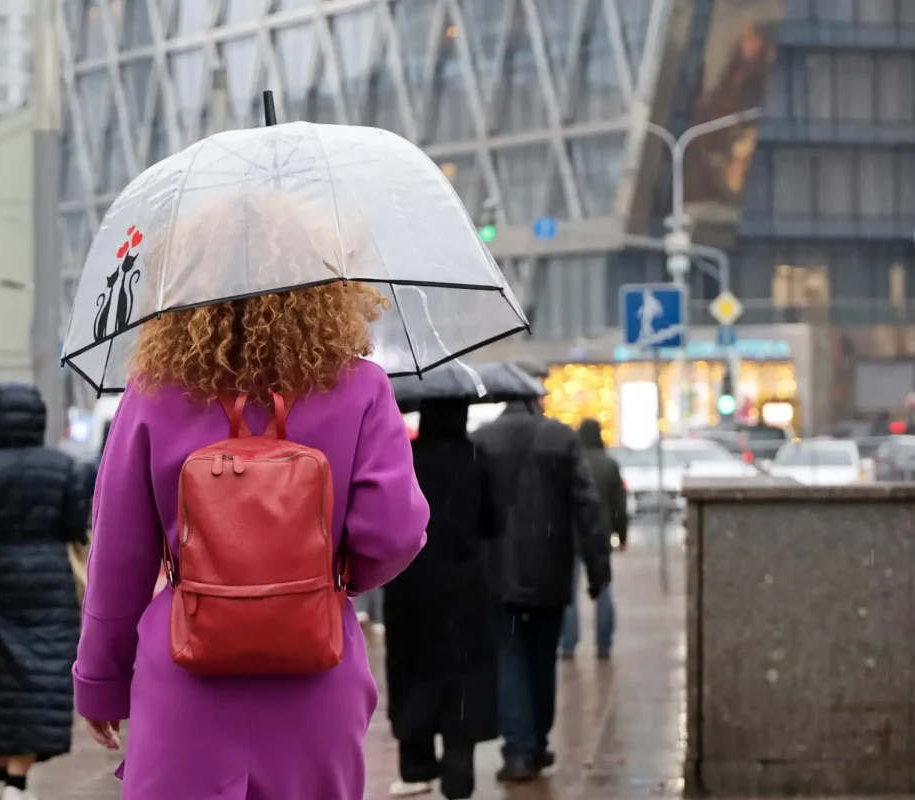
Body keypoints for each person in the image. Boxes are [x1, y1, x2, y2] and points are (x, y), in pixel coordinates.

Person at [74, 282, 429, 798]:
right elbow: (393, 533)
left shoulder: (153, 393)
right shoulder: (361, 387)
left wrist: (101, 683)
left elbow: (117, 560)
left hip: (186, 680)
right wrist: (325, 582)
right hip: (316, 677)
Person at [0, 382, 89, 800]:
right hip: (49, 585)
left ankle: (7, 781)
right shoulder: (64, 467)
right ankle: (14, 782)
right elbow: (74, 527)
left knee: (0, 680)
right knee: (40, 680)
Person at [473, 397, 611, 783]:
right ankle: (535, 745)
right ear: (536, 398)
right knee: (541, 660)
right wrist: (598, 571)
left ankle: (517, 751)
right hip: (550, 570)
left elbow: (468, 511)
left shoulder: (481, 440)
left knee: (509, 659)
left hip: (497, 576)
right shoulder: (561, 437)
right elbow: (588, 506)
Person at [384, 399, 498, 799]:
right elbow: (493, 521)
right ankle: (459, 773)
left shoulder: (405, 458)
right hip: (464, 586)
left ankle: (415, 767)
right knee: (461, 678)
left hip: (410, 583)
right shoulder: (476, 457)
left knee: (412, 672)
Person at [560, 419, 627, 662]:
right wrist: (622, 534)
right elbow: (620, 505)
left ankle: (568, 645)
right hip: (599, 534)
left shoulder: (571, 462)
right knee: (604, 589)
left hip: (572, 534)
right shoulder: (609, 464)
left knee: (569, 593)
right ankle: (604, 645)